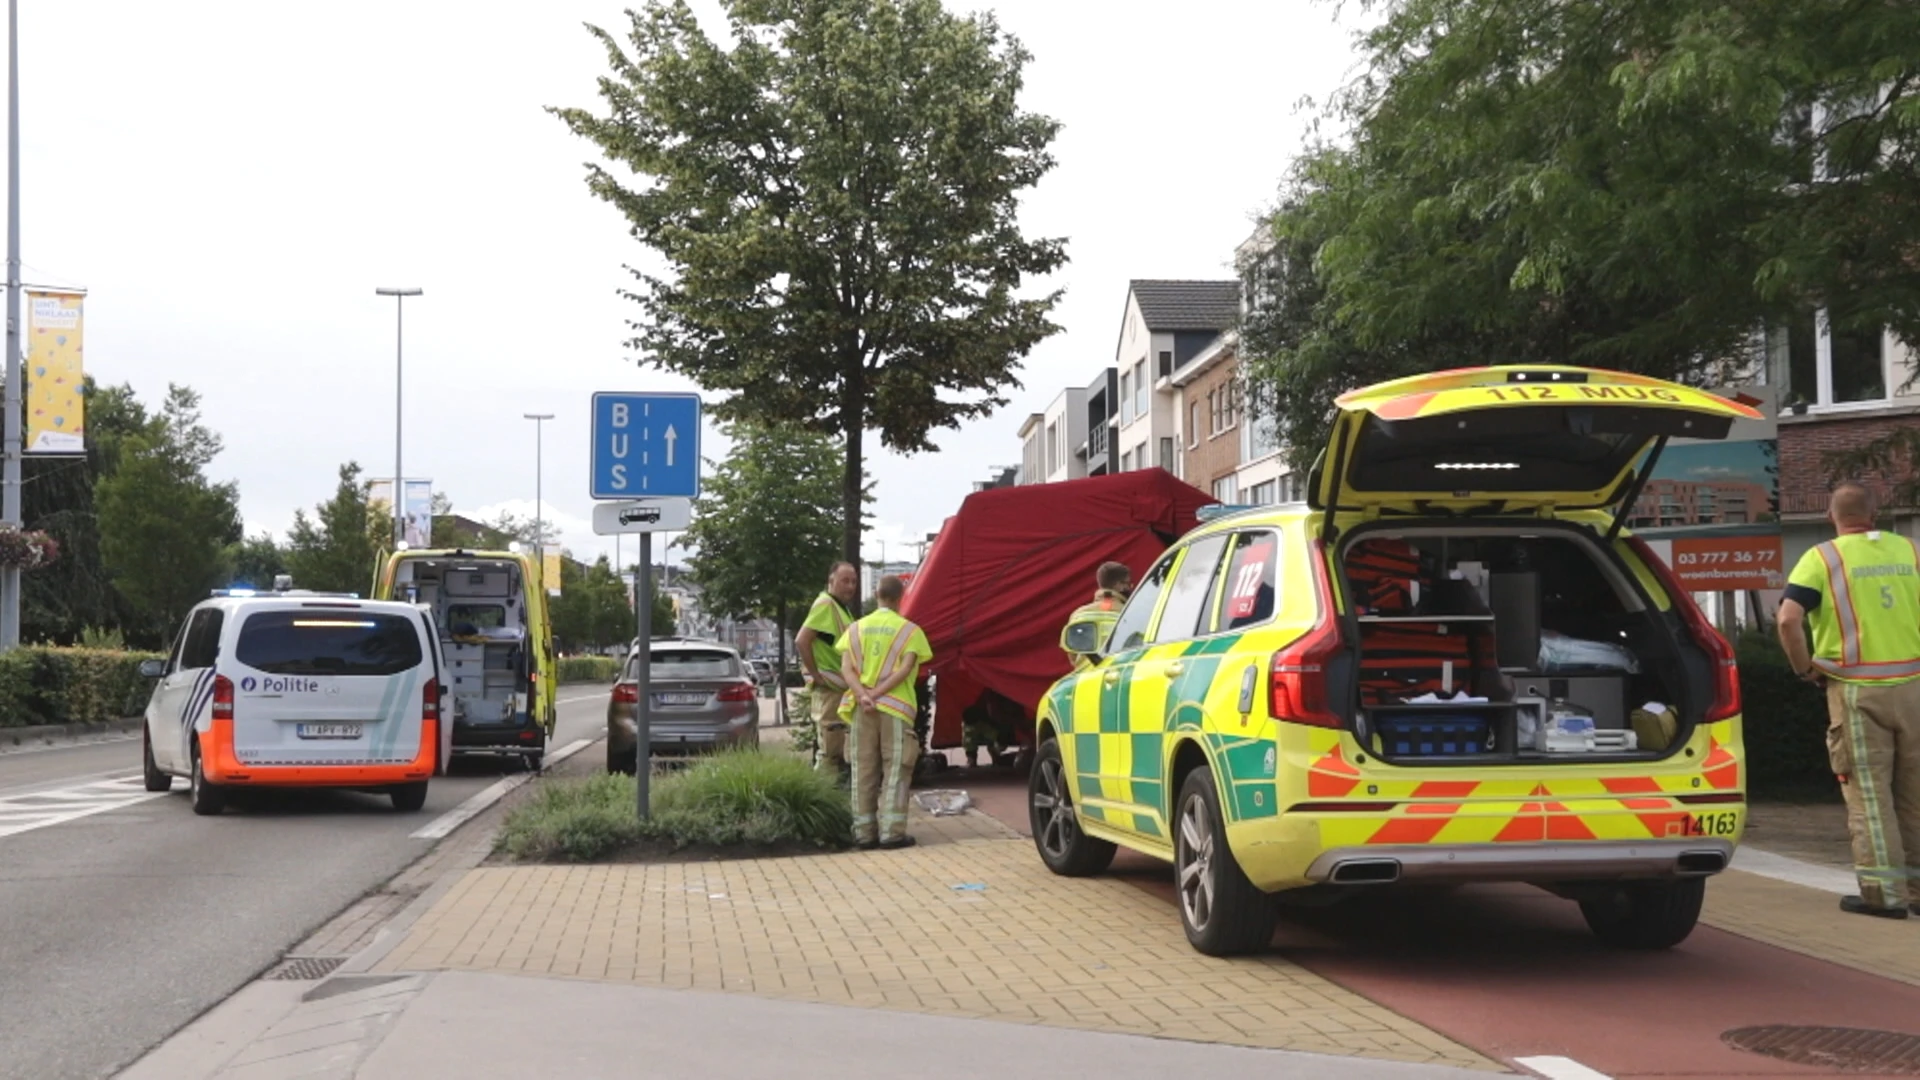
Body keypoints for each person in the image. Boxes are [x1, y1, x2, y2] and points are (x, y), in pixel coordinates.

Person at [1777, 482, 1920, 919]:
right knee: (1914, 794)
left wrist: (1805, 669)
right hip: (1914, 687)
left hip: (1857, 693)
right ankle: (1917, 889)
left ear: (1830, 517)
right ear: (1876, 515)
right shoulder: (1911, 551)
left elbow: (1787, 620)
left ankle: (1883, 895)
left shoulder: (1822, 558)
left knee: (1869, 797)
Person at [838, 575, 933, 849]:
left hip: (861, 709)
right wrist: (877, 695)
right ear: (899, 598)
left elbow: (846, 669)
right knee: (896, 769)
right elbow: (904, 670)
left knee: (863, 769)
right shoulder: (909, 632)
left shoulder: (855, 630)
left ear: (877, 595)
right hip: (896, 709)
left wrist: (863, 695)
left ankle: (863, 833)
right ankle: (892, 833)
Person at [795, 561, 859, 779]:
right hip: (830, 686)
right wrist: (816, 676)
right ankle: (821, 793)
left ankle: (827, 789)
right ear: (831, 581)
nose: (850, 586)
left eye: (853, 582)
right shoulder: (826, 605)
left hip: (837, 687)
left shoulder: (839, 608)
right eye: (845, 581)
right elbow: (802, 640)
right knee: (829, 749)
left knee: (833, 746)